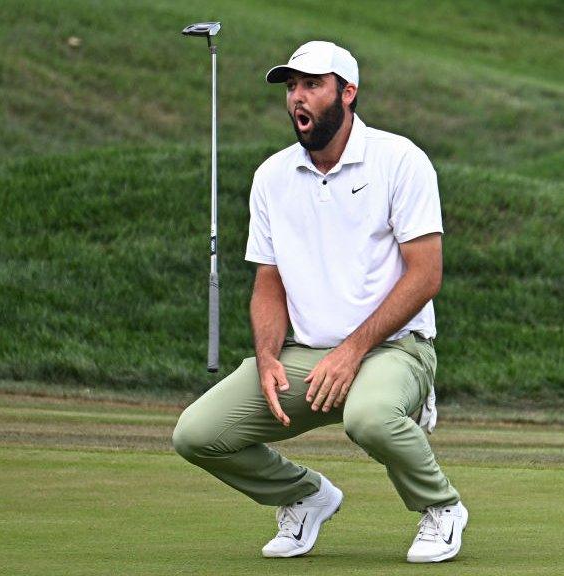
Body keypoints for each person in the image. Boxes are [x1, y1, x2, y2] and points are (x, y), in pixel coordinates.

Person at [172, 40, 466, 564]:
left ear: (347, 93)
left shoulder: (401, 160)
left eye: (312, 85)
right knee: (196, 434)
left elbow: (425, 276)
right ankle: (303, 496)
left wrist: (353, 350)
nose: (297, 99)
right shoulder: (271, 177)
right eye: (291, 87)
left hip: (395, 349)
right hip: (307, 356)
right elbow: (269, 282)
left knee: (369, 419)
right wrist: (266, 358)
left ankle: (441, 507)